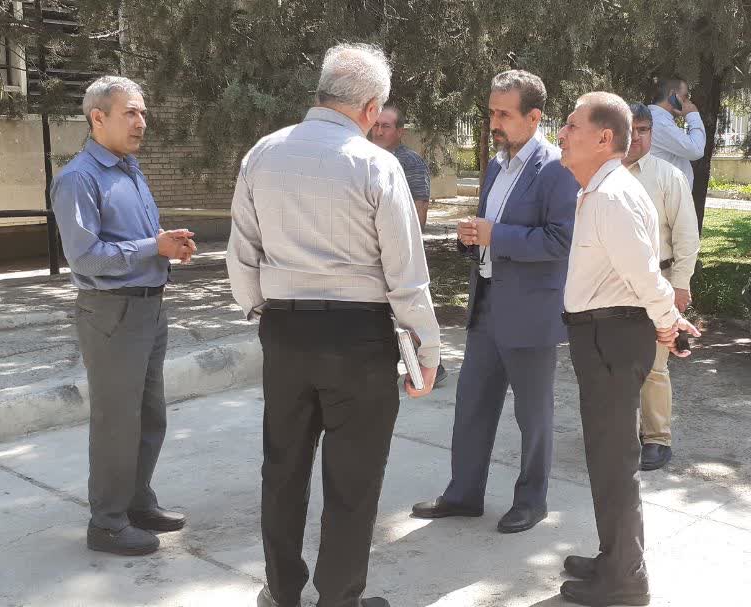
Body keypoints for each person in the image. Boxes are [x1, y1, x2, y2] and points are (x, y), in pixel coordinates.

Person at [227, 43, 439, 607]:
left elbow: (241, 255)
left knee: (283, 469)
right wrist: (426, 351)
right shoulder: (377, 165)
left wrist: (262, 314)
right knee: (353, 479)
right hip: (358, 339)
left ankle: (282, 592)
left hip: (286, 332)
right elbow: (406, 274)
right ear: (371, 108)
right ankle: (339, 597)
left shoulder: (262, 154)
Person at [409, 70, 579, 535]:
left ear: (534, 117)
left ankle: (531, 501)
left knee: (532, 416)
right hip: (486, 307)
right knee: (471, 407)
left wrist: (495, 235)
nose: (494, 123)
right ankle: (464, 495)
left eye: (504, 114)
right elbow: (490, 233)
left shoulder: (556, 169)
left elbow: (561, 241)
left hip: (531, 314)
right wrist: (471, 238)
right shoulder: (496, 166)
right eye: (491, 113)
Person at [555, 91, 701, 606]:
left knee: (614, 462)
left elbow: (643, 273)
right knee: (605, 458)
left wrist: (669, 322)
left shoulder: (612, 195)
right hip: (604, 334)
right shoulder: (602, 189)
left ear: (603, 138)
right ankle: (614, 558)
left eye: (571, 126)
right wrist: (665, 319)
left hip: (611, 337)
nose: (562, 134)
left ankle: (625, 581)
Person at [50, 75, 197, 557]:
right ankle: (108, 523)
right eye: (130, 112)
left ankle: (136, 502)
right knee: (117, 421)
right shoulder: (79, 178)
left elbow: (140, 238)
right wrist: (152, 247)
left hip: (149, 308)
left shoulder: (130, 170)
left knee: (150, 416)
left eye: (143, 113)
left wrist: (168, 244)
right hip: (112, 313)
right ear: (98, 117)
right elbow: (86, 257)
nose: (141, 122)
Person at [625, 103, 700, 471]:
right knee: (619, 364)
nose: (637, 138)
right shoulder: (601, 176)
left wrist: (681, 285)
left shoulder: (668, 176)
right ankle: (624, 432)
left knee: (654, 365)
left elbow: (687, 235)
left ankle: (657, 438)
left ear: (651, 133)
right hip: (612, 286)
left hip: (659, 283)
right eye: (631, 130)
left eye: (644, 130)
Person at [369, 103, 448, 388]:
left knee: (410, 312)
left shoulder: (409, 162)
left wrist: (410, 245)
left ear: (400, 132)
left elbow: (420, 206)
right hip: (374, 253)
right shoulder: (366, 158)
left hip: (400, 251)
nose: (378, 131)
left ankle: (432, 366)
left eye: (386, 126)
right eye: (376, 125)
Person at [646, 78, 706, 192]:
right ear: (673, 95)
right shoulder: (660, 122)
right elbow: (696, 150)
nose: (688, 101)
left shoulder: (657, 119)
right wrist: (693, 115)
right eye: (685, 96)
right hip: (666, 196)